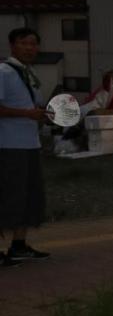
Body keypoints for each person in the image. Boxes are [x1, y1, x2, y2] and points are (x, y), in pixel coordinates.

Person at [0, 27, 51, 267]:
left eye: (34, 43)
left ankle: (18, 246)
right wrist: (27, 114)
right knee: (7, 196)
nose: (30, 48)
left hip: (30, 144)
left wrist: (43, 115)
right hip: (8, 145)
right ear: (12, 45)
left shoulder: (28, 74)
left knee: (28, 197)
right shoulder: (4, 71)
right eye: (24, 43)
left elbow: (35, 109)